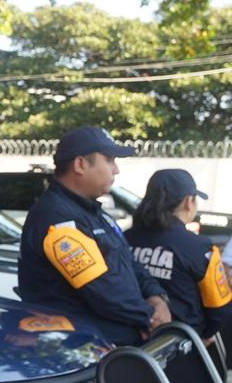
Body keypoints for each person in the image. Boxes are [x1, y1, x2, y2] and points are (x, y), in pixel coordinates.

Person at [17, 126, 171, 345]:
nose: (116, 170)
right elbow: (102, 289)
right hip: (84, 349)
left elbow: (129, 262)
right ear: (80, 164)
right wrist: (149, 317)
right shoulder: (57, 218)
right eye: (109, 160)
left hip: (115, 341)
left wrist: (157, 297)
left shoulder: (93, 213)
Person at [125, 168, 232, 344]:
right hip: (182, 345)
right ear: (188, 202)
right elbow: (219, 308)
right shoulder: (199, 246)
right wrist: (205, 334)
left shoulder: (125, 238)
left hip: (134, 343)